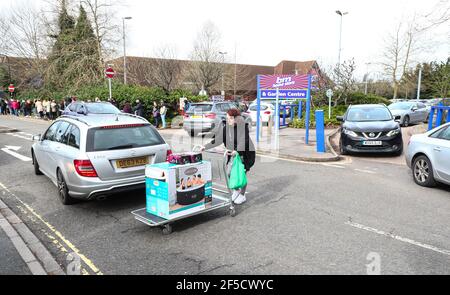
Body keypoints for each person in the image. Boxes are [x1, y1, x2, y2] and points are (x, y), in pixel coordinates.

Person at [200, 108, 255, 205]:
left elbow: (244, 140)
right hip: (232, 154)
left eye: (230, 118)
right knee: (229, 173)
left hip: (244, 154)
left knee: (240, 174)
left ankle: (242, 195)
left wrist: (237, 151)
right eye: (227, 118)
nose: (228, 120)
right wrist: (205, 146)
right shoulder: (226, 128)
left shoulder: (243, 127)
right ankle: (236, 190)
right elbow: (218, 139)